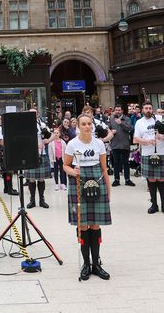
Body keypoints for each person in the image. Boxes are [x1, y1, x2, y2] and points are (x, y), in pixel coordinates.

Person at [63, 115, 111, 281]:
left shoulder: (99, 144)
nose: (87, 126)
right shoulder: (72, 144)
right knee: (83, 226)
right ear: (79, 126)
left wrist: (108, 190)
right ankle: (86, 264)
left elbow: (104, 169)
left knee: (95, 224)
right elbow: (65, 165)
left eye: (89, 123)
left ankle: (96, 264)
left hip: (97, 182)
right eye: (83, 124)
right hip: (78, 183)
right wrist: (72, 172)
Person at [133, 104, 164, 215]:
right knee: (151, 179)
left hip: (162, 152)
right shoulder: (139, 122)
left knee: (162, 179)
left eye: (149, 108)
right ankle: (154, 204)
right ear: (142, 110)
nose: (148, 110)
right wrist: (147, 142)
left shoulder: (161, 118)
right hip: (148, 153)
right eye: (146, 108)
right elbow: (135, 139)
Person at [23, 109, 52, 209]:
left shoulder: (42, 125)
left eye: (35, 113)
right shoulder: (25, 125)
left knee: (41, 178)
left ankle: (42, 200)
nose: (33, 115)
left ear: (38, 114)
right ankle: (32, 200)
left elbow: (48, 138)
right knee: (31, 179)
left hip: (41, 154)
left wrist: (48, 140)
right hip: (30, 154)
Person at [108, 106, 135, 187]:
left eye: (119, 110)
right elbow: (107, 129)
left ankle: (127, 179)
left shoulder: (127, 119)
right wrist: (110, 131)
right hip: (115, 144)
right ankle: (116, 180)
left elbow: (130, 128)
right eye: (116, 110)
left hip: (125, 144)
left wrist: (121, 123)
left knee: (126, 163)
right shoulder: (111, 119)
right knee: (116, 163)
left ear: (122, 111)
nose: (117, 111)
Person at [0, 114, 17, 196]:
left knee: (6, 171)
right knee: (8, 171)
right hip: (4, 150)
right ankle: (9, 189)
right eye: (0, 119)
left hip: (5, 149)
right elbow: (1, 141)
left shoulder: (3, 128)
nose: (2, 120)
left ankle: (7, 188)